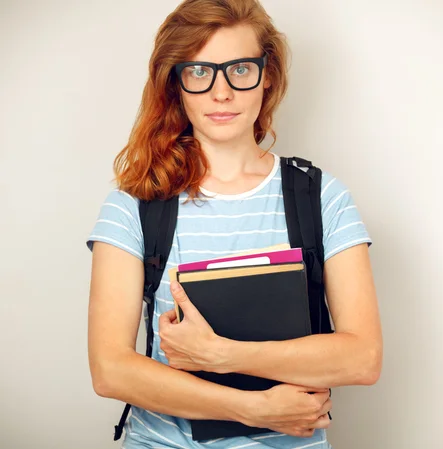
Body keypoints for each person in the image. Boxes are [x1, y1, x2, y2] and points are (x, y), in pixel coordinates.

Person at [86, 0, 383, 447]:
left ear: (268, 77)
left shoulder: (321, 197)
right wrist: (252, 408)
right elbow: (110, 370)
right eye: (200, 72)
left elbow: (363, 358)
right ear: (176, 84)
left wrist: (220, 355)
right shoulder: (134, 204)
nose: (221, 93)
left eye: (240, 69)